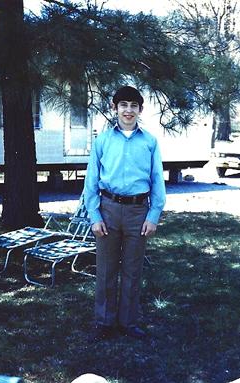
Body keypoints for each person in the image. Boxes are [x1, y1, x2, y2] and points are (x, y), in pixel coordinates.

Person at [83, 85, 166, 340]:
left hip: (137, 212)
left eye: (133, 106)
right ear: (114, 108)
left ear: (140, 110)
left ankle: (128, 322)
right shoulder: (103, 140)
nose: (128, 110)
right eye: (123, 105)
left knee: (132, 269)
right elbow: (91, 181)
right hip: (108, 210)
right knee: (106, 269)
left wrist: (153, 215)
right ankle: (104, 322)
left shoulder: (149, 142)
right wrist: (95, 216)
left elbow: (156, 180)